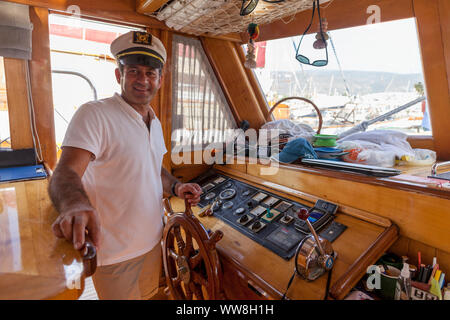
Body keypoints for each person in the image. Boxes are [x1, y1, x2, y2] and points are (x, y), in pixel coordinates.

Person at [48, 31, 202, 300]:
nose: (143, 80)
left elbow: (154, 170)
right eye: (134, 71)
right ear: (119, 75)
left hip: (153, 243)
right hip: (114, 254)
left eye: (151, 73)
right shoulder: (95, 114)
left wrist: (177, 187)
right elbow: (66, 172)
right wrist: (74, 205)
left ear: (160, 80)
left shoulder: (154, 122)